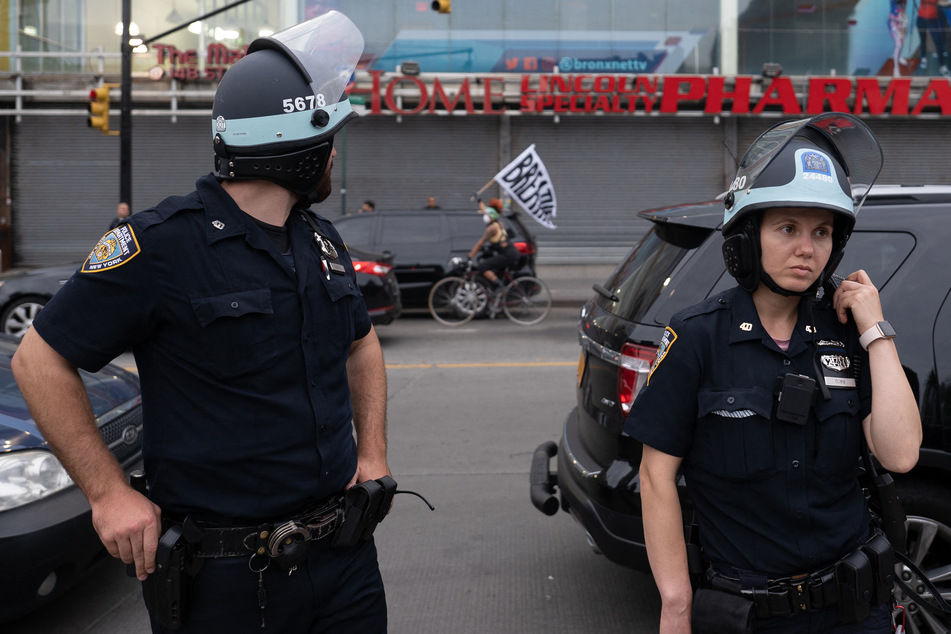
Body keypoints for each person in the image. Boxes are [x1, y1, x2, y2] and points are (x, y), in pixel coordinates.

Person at [12, 11, 391, 633]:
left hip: (345, 557)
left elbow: (361, 343)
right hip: (228, 581)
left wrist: (372, 454)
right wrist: (108, 494)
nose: (333, 156)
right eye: (328, 139)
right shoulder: (159, 245)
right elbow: (39, 359)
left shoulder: (320, 240)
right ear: (296, 143)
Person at [628, 113, 921, 633]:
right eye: (787, 228)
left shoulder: (849, 332)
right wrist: (675, 603)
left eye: (822, 232)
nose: (807, 248)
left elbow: (899, 454)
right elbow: (656, 476)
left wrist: (877, 329)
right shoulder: (699, 337)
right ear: (748, 236)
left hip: (854, 610)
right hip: (749, 614)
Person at [468, 197, 520, 292]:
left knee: (483, 267)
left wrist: (470, 256)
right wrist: (479, 201)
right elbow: (485, 210)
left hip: (507, 255)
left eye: (487, 214)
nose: (485, 215)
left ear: (491, 216)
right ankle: (496, 292)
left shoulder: (491, 229)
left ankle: (500, 286)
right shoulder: (499, 223)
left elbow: (480, 243)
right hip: (510, 252)